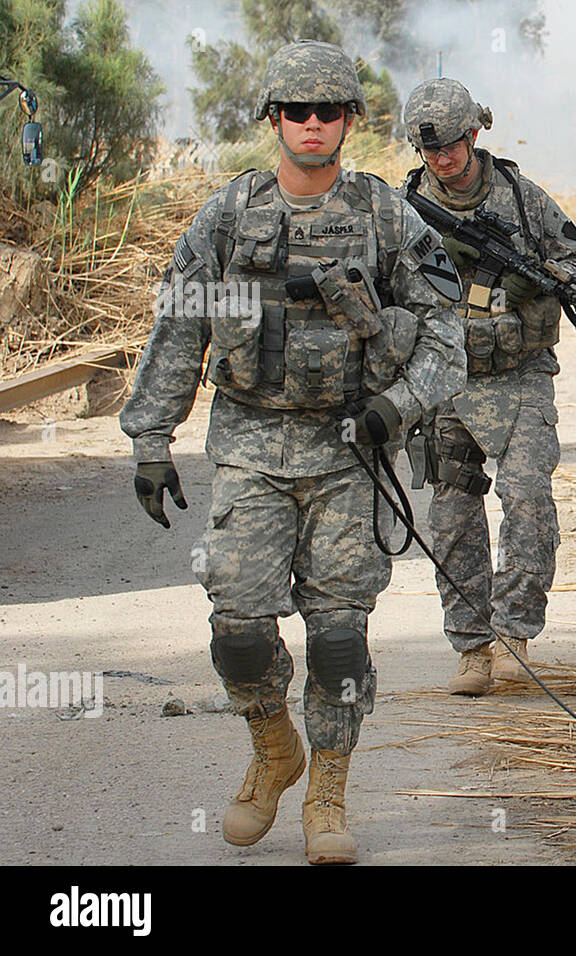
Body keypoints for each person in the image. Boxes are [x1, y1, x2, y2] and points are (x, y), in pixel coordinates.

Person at [119, 40, 466, 864]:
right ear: (274, 118)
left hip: (351, 454)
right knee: (237, 626)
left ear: (349, 120)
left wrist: (397, 406)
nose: (313, 124)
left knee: (339, 637)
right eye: (297, 111)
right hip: (250, 445)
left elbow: (447, 334)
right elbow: (180, 326)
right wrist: (149, 438)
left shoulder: (386, 216)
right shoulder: (228, 216)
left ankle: (328, 792)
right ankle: (275, 749)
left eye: (330, 111)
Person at [399, 78, 576, 696]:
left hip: (519, 380)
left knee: (529, 501)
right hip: (445, 384)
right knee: (453, 514)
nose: (442, 160)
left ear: (475, 134)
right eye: (430, 151)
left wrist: (535, 287)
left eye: (452, 146)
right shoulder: (402, 212)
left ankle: (515, 635)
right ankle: (472, 647)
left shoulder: (520, 197)